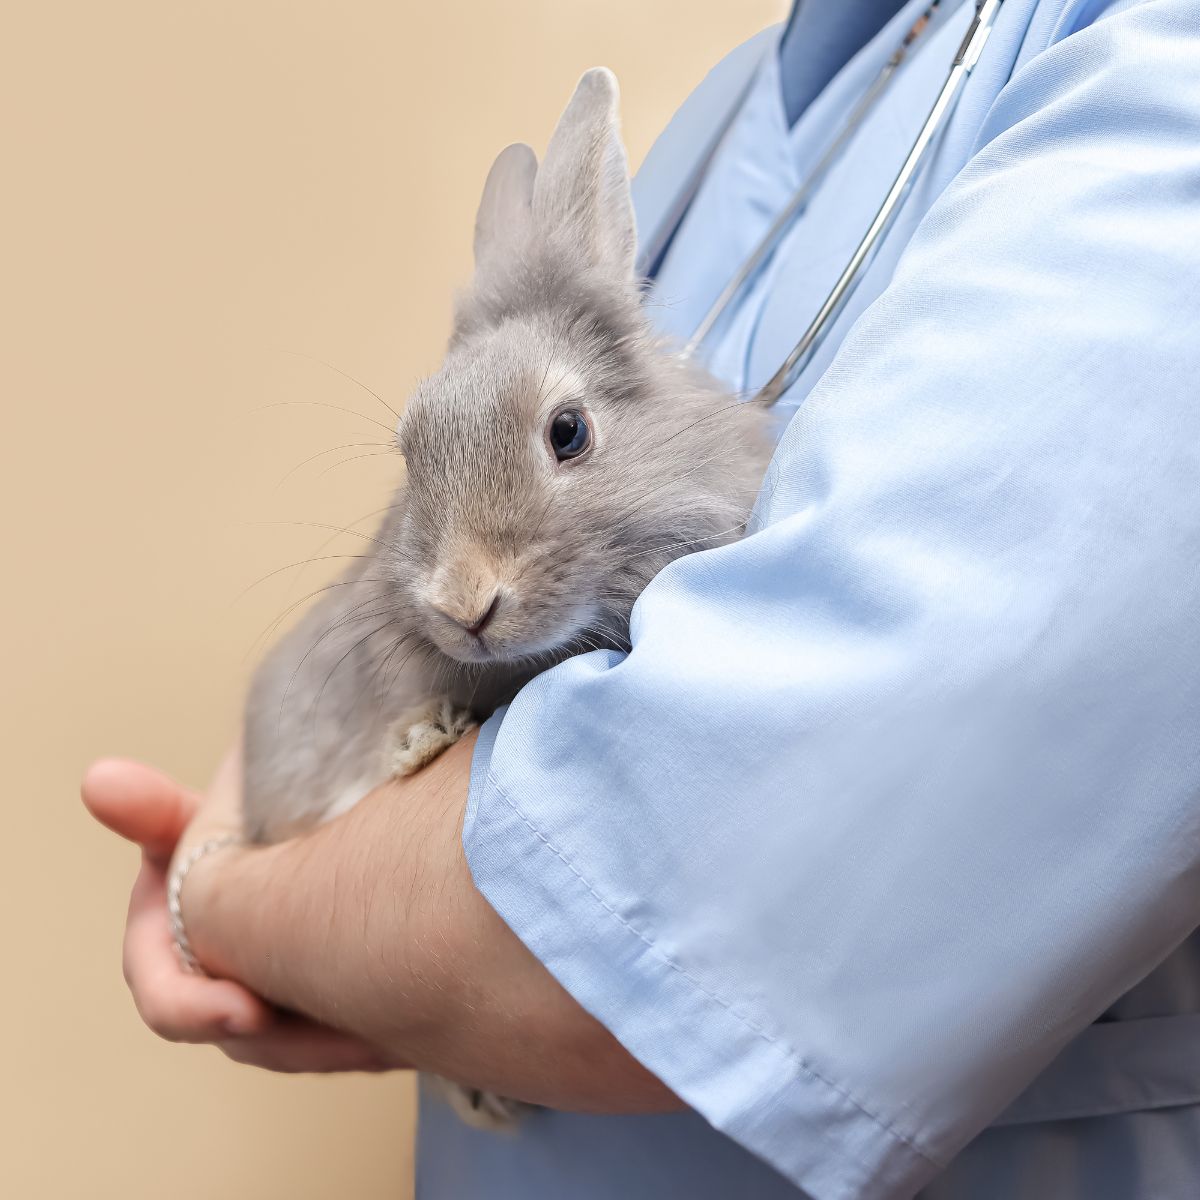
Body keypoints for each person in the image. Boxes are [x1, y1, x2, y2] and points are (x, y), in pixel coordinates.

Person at [82, 1, 1200, 1196]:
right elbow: (443, 521)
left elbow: (624, 923)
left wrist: (218, 893)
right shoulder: (741, 102)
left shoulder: (1153, 73)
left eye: (567, 433)